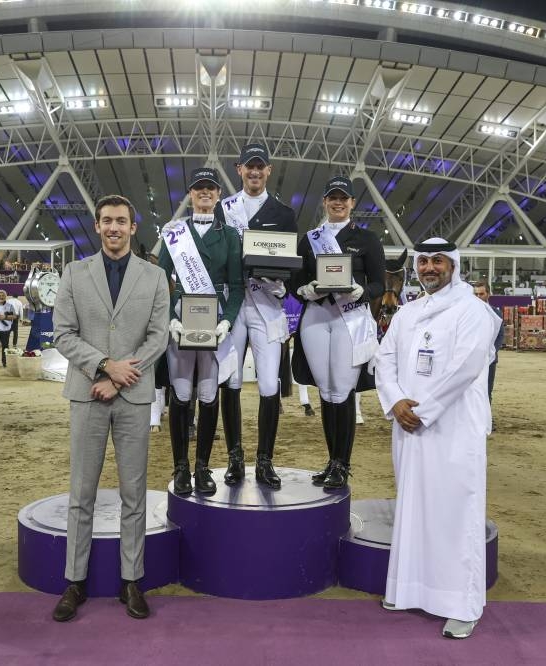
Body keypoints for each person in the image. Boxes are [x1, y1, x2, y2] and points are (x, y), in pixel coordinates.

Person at [374, 237, 501, 640]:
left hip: (453, 426)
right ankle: (409, 589)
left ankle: (463, 605)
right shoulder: (409, 312)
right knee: (413, 508)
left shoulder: (472, 310)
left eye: (438, 261)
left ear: (454, 266)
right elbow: (384, 358)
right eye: (424, 261)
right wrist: (396, 402)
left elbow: (466, 367)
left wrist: (423, 411)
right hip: (408, 425)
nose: (429, 268)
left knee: (456, 513)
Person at [51, 194, 170, 623]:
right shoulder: (74, 273)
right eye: (107, 221)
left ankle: (131, 580)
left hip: (133, 397)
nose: (114, 227)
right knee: (81, 492)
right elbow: (63, 334)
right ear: (97, 226)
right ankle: (74, 581)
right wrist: (104, 366)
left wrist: (119, 377)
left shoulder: (155, 276)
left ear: (133, 227)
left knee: (133, 493)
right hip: (87, 395)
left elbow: (158, 337)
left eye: (121, 220)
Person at [290, 176, 384, 489]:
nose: (338, 203)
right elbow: (295, 279)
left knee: (343, 392)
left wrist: (362, 291)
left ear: (352, 203)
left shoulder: (367, 239)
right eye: (333, 197)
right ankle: (332, 460)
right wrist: (304, 290)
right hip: (316, 318)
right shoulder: (310, 239)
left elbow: (379, 283)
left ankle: (343, 464)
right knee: (327, 392)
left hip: (350, 318)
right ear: (325, 202)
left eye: (344, 198)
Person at [157, 168, 245, 495]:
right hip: (183, 318)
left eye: (210, 188)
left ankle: (202, 466)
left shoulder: (230, 235)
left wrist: (227, 321)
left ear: (218, 194)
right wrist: (170, 317)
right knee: (181, 394)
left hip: (215, 319)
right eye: (199, 188)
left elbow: (237, 286)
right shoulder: (175, 234)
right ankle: (181, 467)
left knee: (208, 394)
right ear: (190, 194)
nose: (205, 192)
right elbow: (160, 279)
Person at [214, 143, 297, 489]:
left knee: (268, 384)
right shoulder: (223, 209)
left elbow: (290, 261)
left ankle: (265, 459)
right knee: (231, 381)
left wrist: (283, 284)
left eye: (260, 166)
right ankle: (235, 457)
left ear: (268, 171)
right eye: (249, 166)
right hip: (233, 305)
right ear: (239, 169)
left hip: (267, 304)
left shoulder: (284, 213)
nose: (254, 172)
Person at [472, 280, 506, 404]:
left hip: (489, 359)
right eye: (476, 294)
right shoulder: (466, 313)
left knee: (487, 390)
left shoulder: (496, 313)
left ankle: (487, 415)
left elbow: (500, 335)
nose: (478, 297)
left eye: (481, 294)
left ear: (488, 294)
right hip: (470, 358)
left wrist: (491, 351)